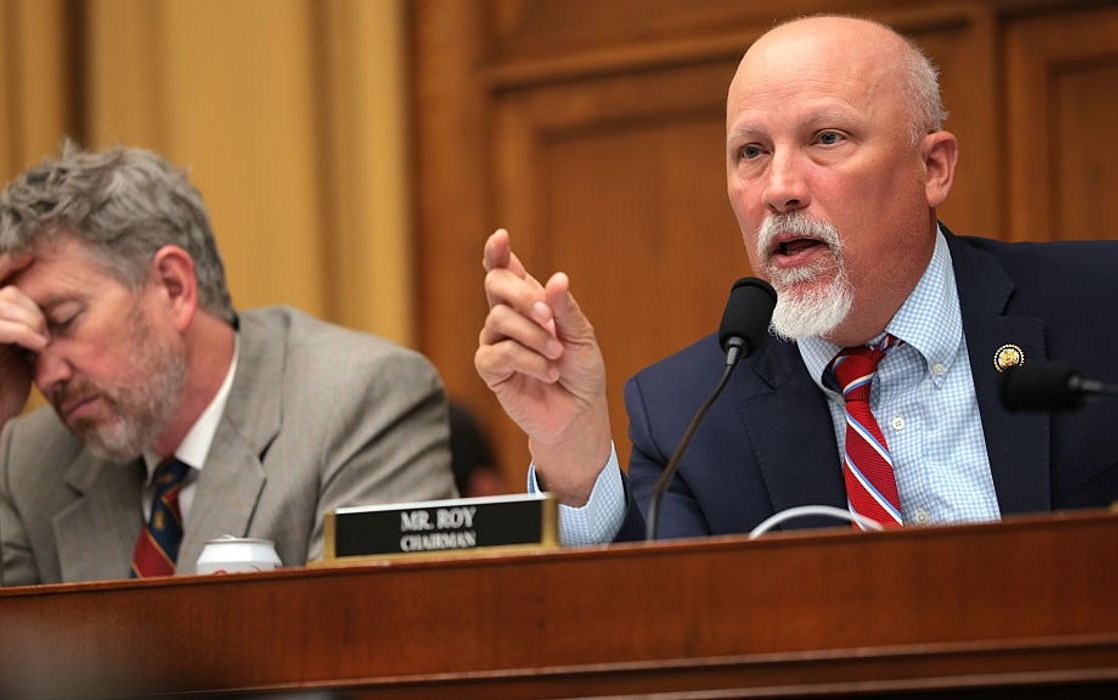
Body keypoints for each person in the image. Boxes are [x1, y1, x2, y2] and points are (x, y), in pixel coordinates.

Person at [476, 15, 1118, 545]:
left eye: (826, 138)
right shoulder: (689, 415)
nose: (780, 189)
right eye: (752, 152)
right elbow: (645, 620)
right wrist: (572, 454)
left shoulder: (1099, 306)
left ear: (933, 168)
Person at [0, 144, 455, 591]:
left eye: (65, 321)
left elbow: (370, 651)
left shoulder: (360, 401)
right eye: (26, 351)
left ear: (172, 287)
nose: (46, 378)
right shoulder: (29, 459)